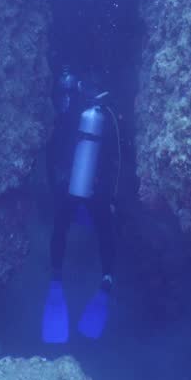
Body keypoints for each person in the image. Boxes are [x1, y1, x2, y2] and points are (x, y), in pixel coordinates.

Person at [41, 67, 119, 343]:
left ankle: (55, 281)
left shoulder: (69, 110)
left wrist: (56, 188)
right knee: (105, 233)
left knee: (60, 228)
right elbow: (117, 159)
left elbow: (55, 148)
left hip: (70, 186)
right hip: (97, 190)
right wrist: (110, 197)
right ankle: (106, 282)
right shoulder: (108, 115)